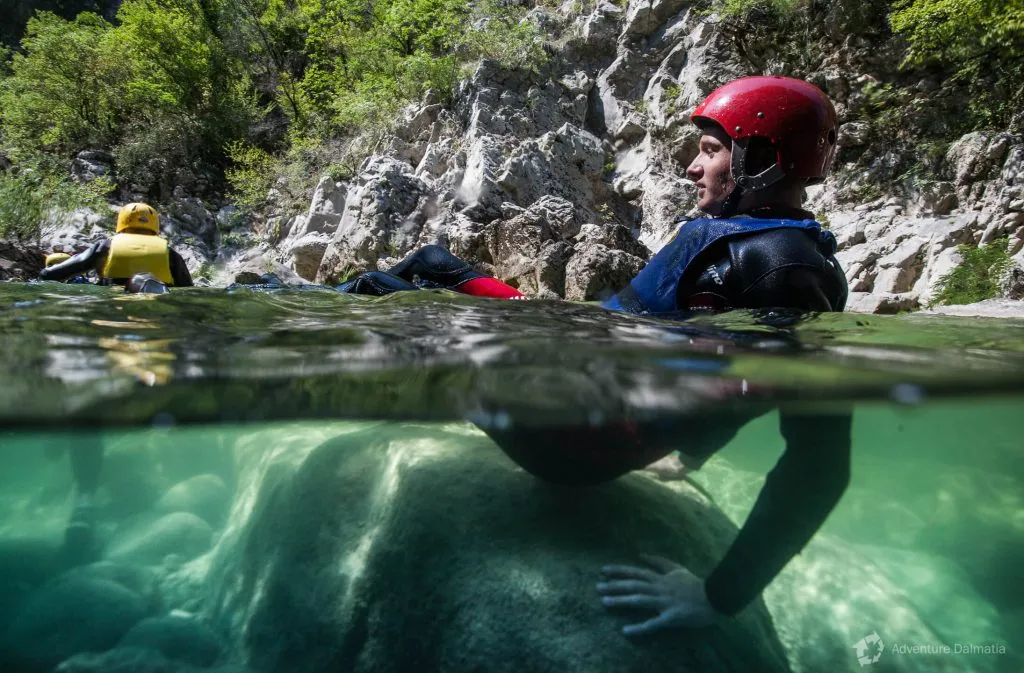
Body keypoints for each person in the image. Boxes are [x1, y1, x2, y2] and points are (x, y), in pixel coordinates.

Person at [339, 76, 851, 632]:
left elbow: (818, 464)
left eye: (709, 150)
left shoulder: (782, 268)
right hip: (571, 361)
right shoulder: (751, 239)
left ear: (763, 160)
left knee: (380, 293)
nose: (691, 167)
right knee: (435, 263)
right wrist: (692, 454)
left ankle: (287, 296)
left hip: (572, 435)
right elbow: (727, 372)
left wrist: (719, 597)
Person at [39, 202, 194, 288]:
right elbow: (188, 289)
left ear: (121, 222)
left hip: (113, 302)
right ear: (155, 225)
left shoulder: (105, 246)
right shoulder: (169, 253)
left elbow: (49, 275)